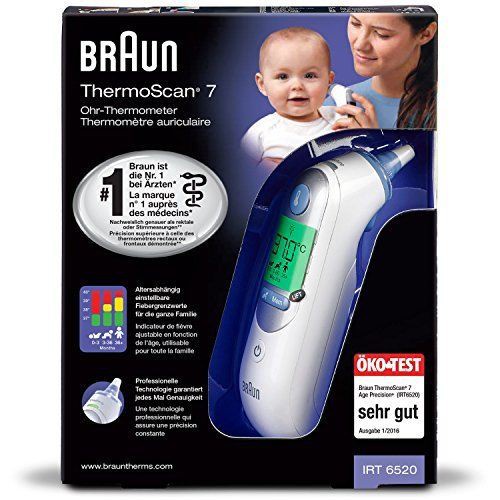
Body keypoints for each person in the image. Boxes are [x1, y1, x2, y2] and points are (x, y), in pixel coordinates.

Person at [241, 27, 343, 167]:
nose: (297, 86)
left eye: (309, 76)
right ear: (262, 84)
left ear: (329, 81)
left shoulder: (339, 120)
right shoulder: (259, 133)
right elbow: (239, 173)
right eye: (283, 76)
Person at [325, 13, 437, 130]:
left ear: (425, 34)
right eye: (355, 24)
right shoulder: (332, 108)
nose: (359, 45)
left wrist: (373, 139)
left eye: (382, 34)